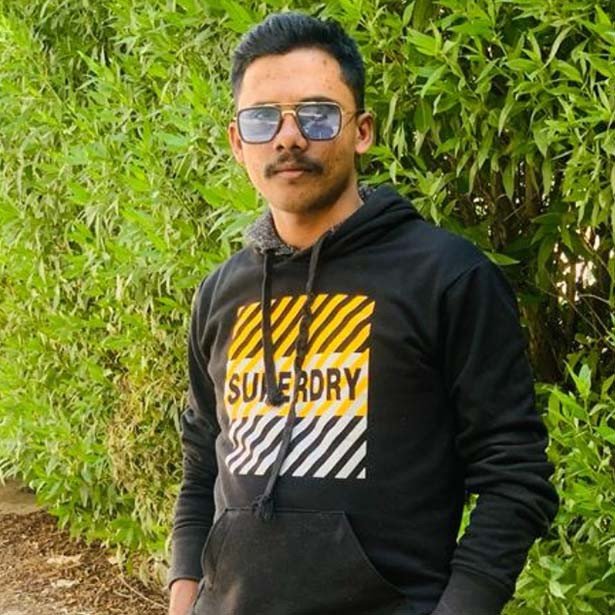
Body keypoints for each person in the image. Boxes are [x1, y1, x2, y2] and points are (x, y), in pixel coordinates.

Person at [167, 11, 558, 615]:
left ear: (363, 131)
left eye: (317, 114)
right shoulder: (222, 293)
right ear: (238, 142)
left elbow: (515, 476)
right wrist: (183, 596)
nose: (288, 137)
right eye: (263, 118)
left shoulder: (446, 278)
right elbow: (201, 464)